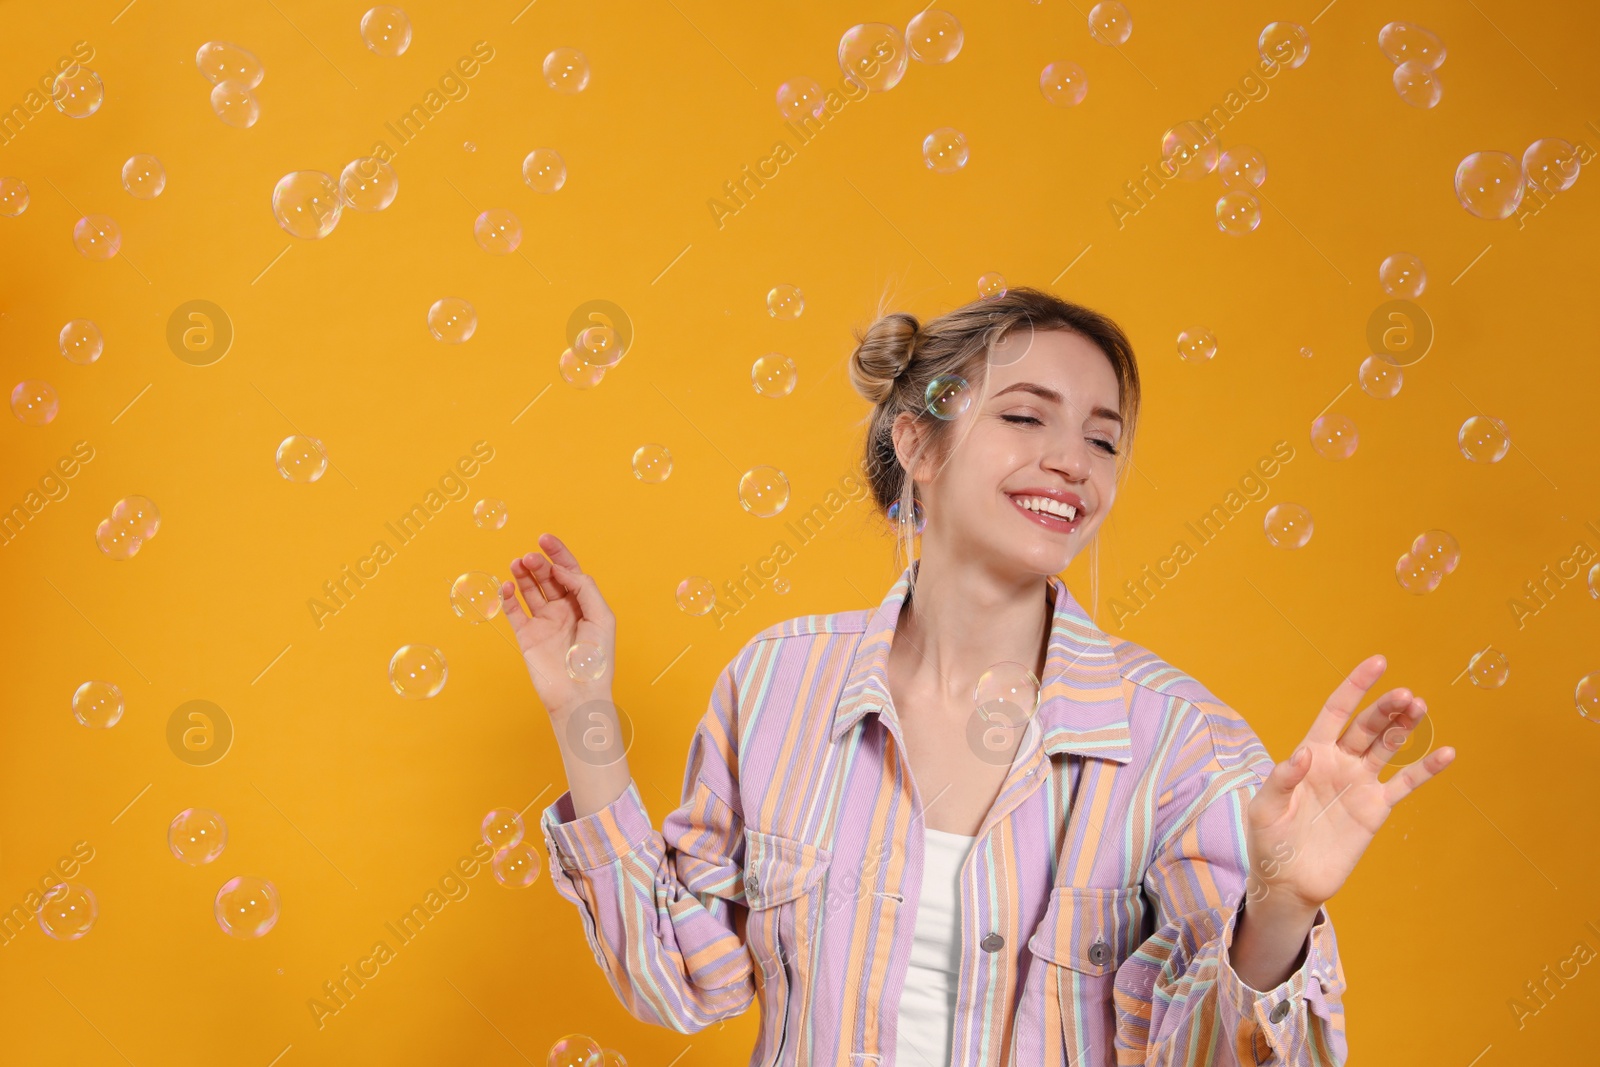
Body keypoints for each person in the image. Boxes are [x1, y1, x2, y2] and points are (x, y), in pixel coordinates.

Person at [502, 287, 1456, 1066]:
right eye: (1026, 415)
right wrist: (585, 711)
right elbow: (679, 981)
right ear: (917, 445)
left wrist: (1280, 906)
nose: (1070, 461)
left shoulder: (1180, 740)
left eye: (1103, 437)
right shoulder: (777, 682)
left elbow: (1215, 1057)